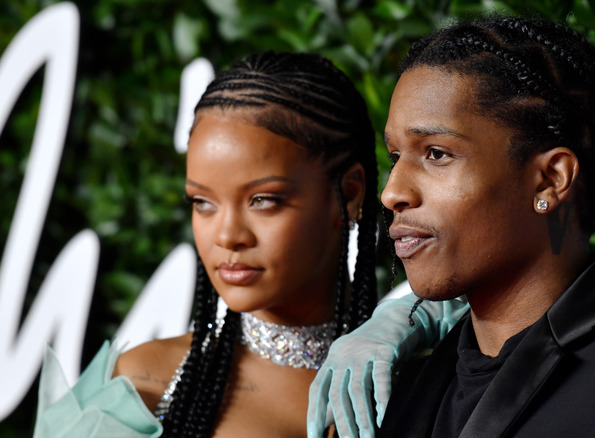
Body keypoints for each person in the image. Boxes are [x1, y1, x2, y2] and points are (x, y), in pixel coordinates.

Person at [308, 15, 595, 437]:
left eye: (436, 154)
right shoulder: (401, 389)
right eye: (395, 157)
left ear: (550, 179)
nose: (392, 193)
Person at [34, 51, 379, 438]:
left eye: (263, 200)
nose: (228, 235)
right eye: (203, 203)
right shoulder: (142, 389)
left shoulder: (418, 376)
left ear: (349, 193)